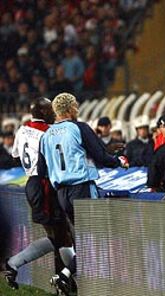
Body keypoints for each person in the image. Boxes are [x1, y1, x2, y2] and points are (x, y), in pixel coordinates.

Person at [38, 92, 129, 294]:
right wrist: (119, 161)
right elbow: (101, 156)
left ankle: (72, 281)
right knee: (94, 240)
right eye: (76, 106)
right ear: (70, 109)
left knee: (83, 240)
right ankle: (65, 276)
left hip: (61, 193)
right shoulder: (78, 128)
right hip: (81, 188)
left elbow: (42, 170)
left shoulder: (46, 136)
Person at [4, 98, 74, 292]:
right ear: (43, 113)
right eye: (50, 109)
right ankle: (69, 278)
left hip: (31, 183)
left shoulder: (22, 130)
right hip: (44, 185)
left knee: (57, 236)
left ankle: (14, 264)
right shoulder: (48, 132)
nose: (53, 112)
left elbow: (16, 155)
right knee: (62, 237)